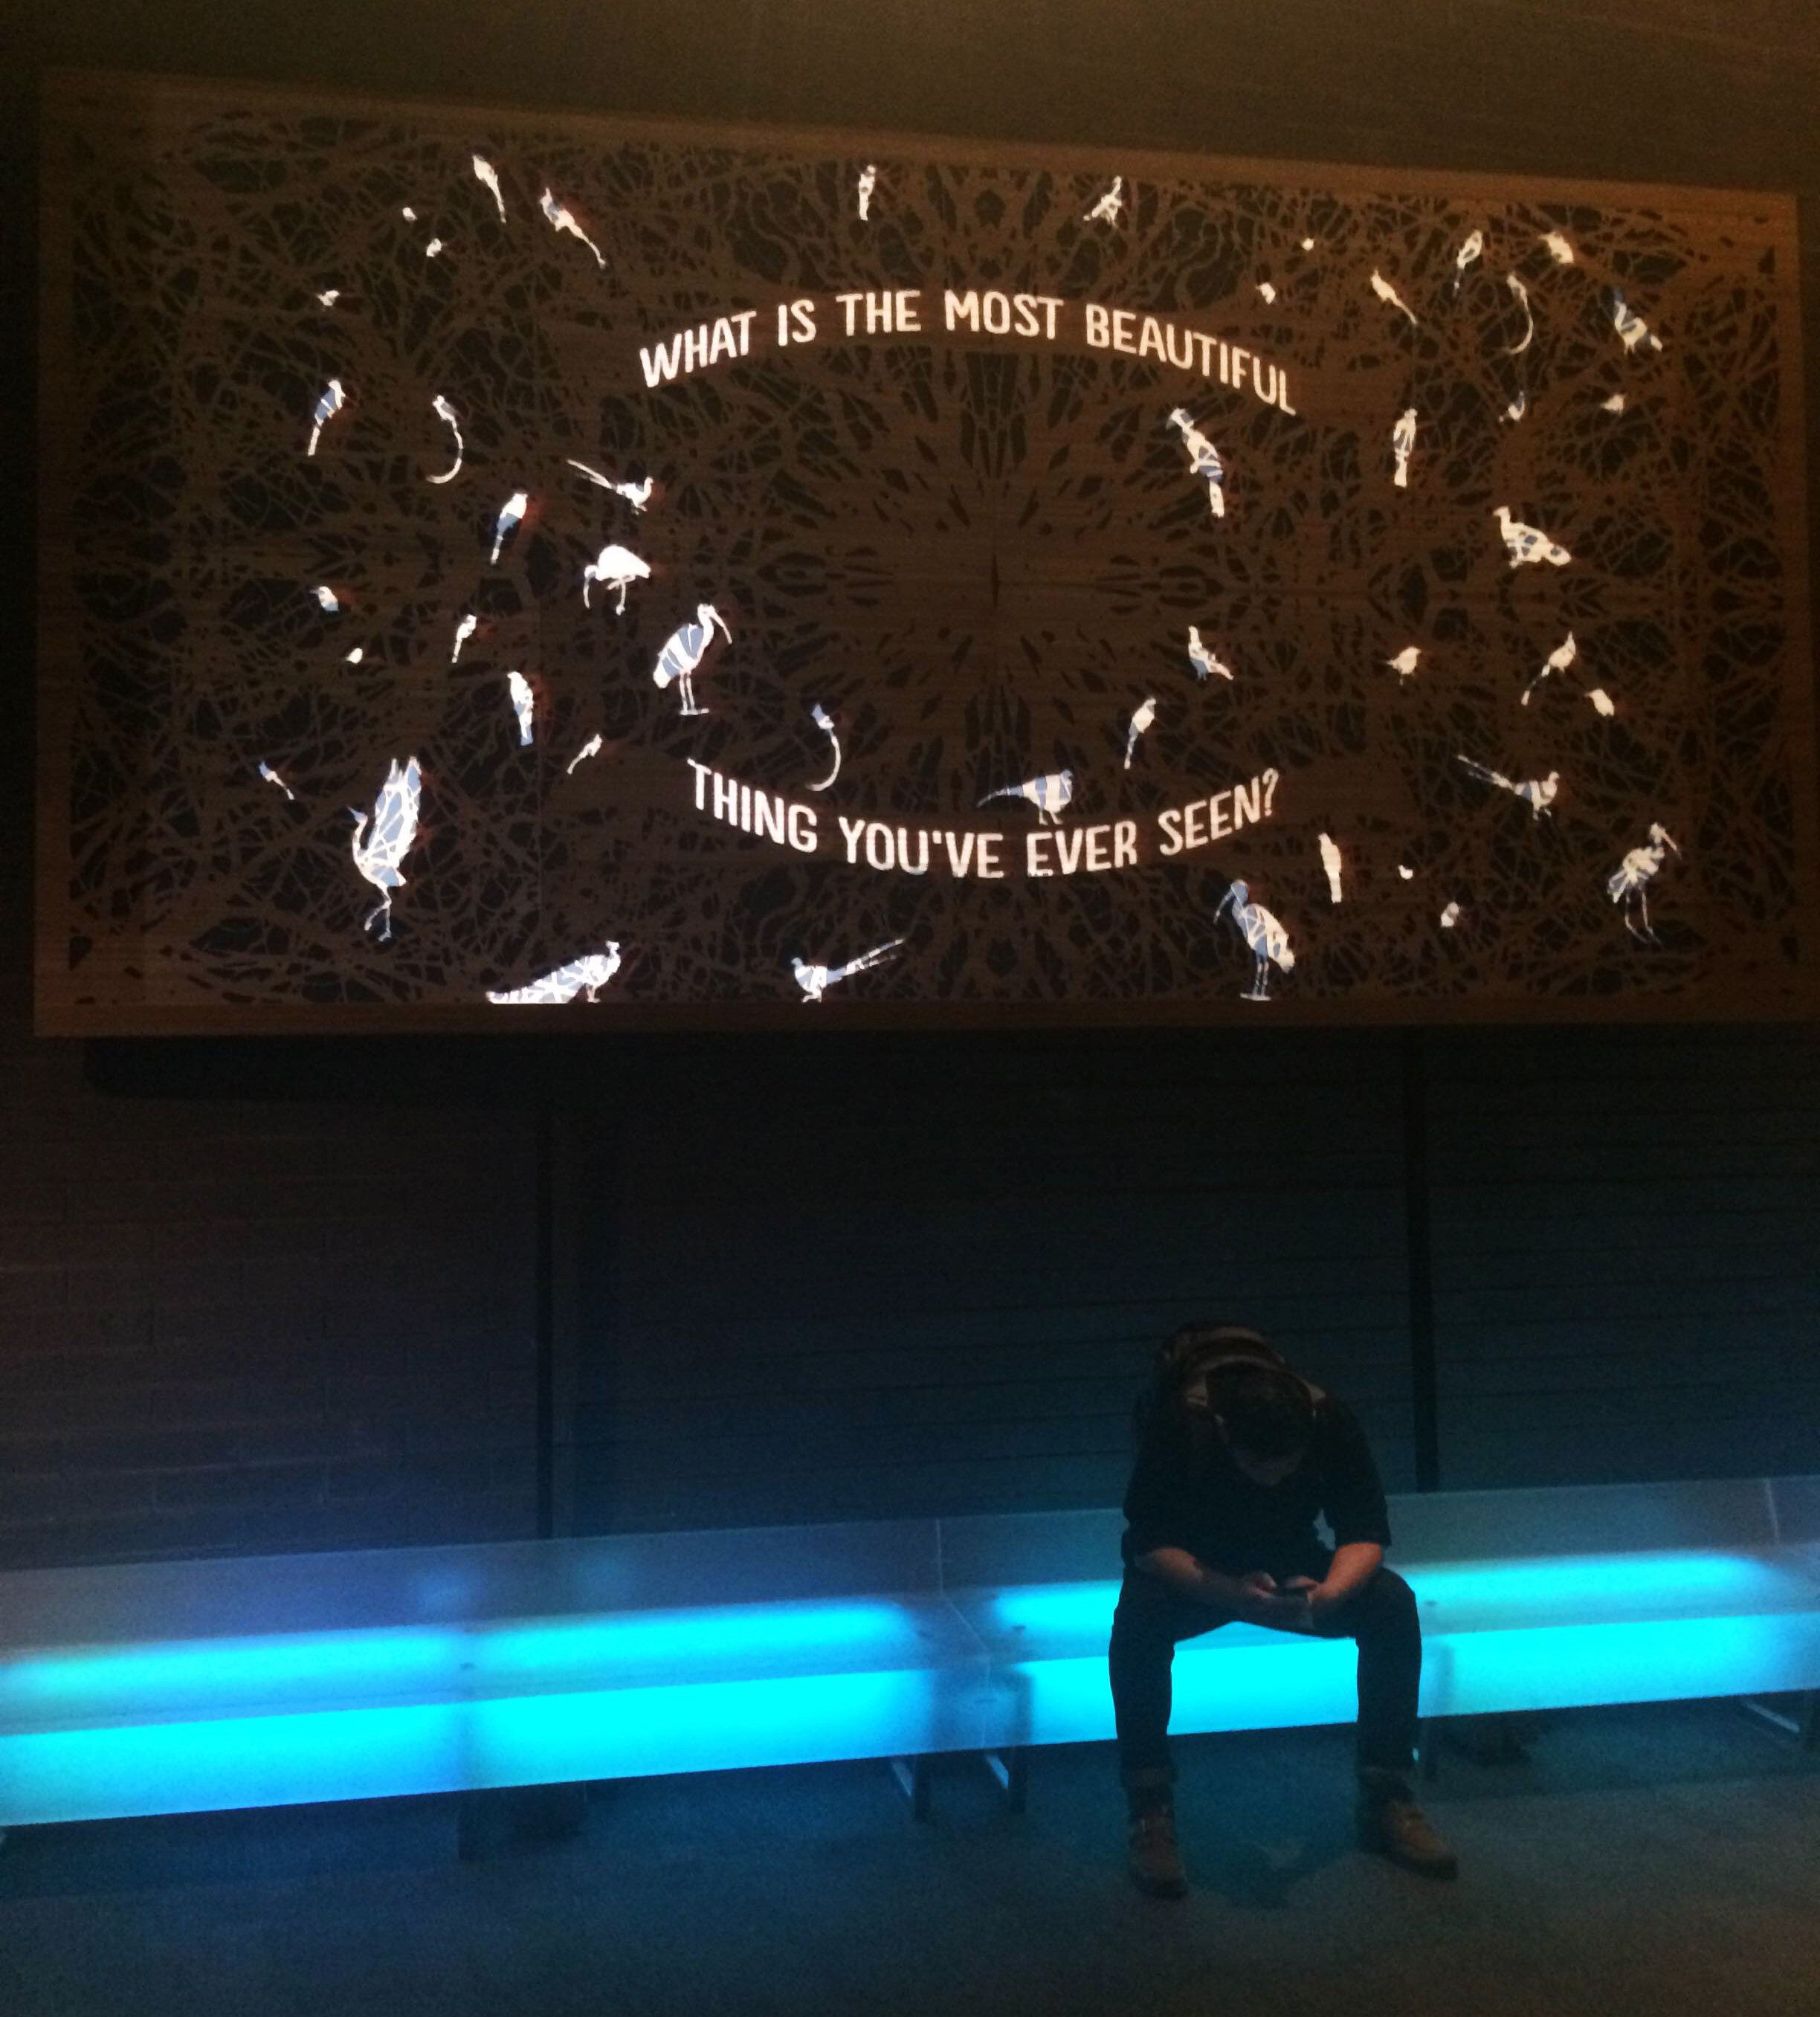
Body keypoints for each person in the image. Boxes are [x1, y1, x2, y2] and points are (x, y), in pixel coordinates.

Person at [1108, 1322, 1456, 1898]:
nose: (1275, 1477)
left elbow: (1365, 1529)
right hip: (1196, 1565)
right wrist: (1230, 1593)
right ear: (1225, 1430)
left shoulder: (1328, 1419)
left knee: (1391, 1604)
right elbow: (1147, 1546)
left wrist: (1329, 1594)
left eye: (1286, 1465)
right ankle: (1149, 1807)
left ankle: (1386, 1793)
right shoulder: (1181, 1426)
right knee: (1139, 1620)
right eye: (1258, 1466)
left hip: (1291, 1557)